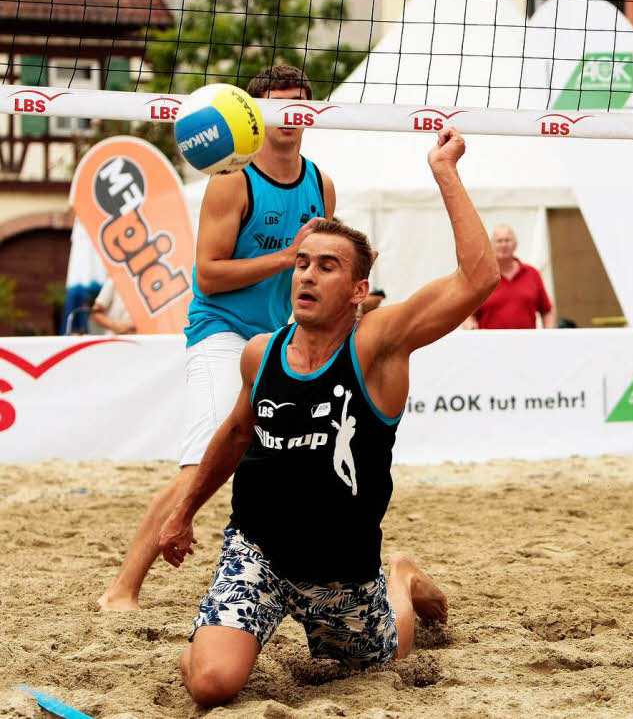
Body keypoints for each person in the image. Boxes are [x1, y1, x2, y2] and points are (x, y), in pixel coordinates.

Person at [158, 127, 498, 707]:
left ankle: (403, 578)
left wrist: (444, 171)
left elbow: (478, 279)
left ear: (358, 290)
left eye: (327, 267)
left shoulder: (377, 348)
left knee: (384, 657)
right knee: (213, 685)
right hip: (258, 552)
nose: (308, 275)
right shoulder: (260, 352)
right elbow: (238, 433)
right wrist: (183, 513)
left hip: (342, 574)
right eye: (302, 263)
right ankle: (226, 626)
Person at [98, 65, 336, 611]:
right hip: (220, 332)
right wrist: (285, 256)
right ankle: (122, 589)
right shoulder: (233, 178)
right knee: (201, 462)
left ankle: (300, 584)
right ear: (256, 114)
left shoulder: (320, 183)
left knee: (300, 461)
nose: (289, 116)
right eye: (277, 105)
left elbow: (315, 270)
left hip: (279, 339)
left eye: (298, 104)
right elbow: (207, 274)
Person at [466, 224, 554, 329]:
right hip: (490, 344)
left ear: (515, 245)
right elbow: (467, 315)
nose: (503, 245)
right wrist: (471, 331)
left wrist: (548, 335)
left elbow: (547, 311)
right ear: (490, 246)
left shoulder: (532, 273)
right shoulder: (481, 277)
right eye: (499, 241)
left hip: (527, 344)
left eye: (507, 240)